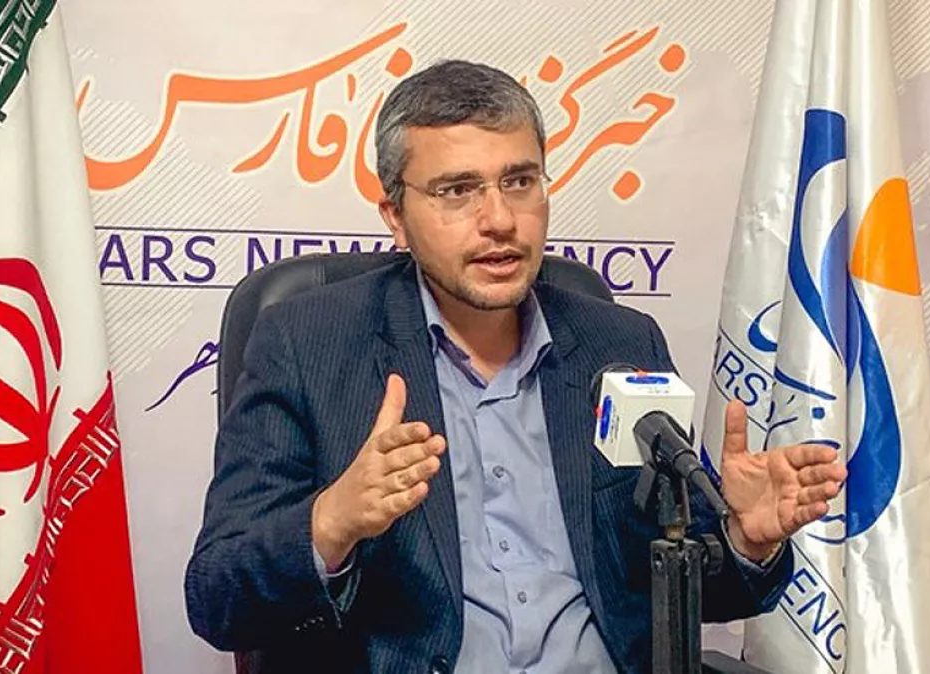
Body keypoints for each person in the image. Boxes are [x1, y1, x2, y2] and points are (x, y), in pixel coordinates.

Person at [185, 60, 846, 674]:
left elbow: (680, 589)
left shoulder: (619, 342)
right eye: (457, 190)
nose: (500, 220)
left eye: (519, 182)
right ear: (396, 217)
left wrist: (744, 539)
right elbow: (217, 597)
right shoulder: (308, 344)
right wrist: (332, 523)